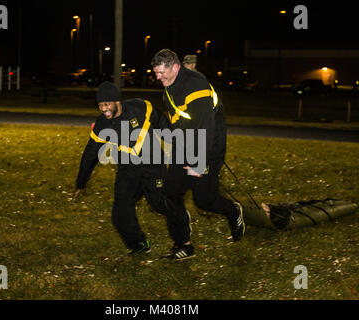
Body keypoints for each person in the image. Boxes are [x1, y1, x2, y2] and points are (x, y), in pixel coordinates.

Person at [73, 81, 188, 255]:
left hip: (153, 164)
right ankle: (139, 244)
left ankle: (183, 238)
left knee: (159, 204)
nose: (104, 109)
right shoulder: (102, 124)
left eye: (107, 104)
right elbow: (90, 153)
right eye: (100, 105)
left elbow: (160, 120)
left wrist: (177, 143)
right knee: (120, 214)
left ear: (117, 101)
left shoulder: (140, 108)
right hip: (127, 169)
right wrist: (81, 182)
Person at [151, 49, 245, 260]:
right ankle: (183, 245)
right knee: (170, 192)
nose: (158, 77)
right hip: (186, 142)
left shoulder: (195, 86)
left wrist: (198, 162)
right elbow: (180, 119)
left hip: (209, 145)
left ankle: (233, 211)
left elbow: (205, 127)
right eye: (156, 73)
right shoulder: (169, 86)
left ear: (175, 67)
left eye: (161, 72)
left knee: (204, 200)